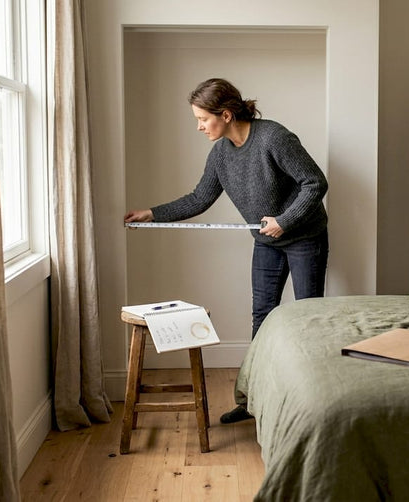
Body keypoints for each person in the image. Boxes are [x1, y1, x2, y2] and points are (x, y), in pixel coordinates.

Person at [124, 78, 329, 423]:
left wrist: (286, 220)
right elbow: (199, 198)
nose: (199, 126)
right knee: (262, 316)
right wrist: (152, 213)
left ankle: (308, 403)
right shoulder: (220, 154)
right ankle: (253, 401)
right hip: (266, 241)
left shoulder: (274, 138)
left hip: (305, 236)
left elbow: (315, 182)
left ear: (227, 114)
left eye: (203, 119)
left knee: (306, 317)